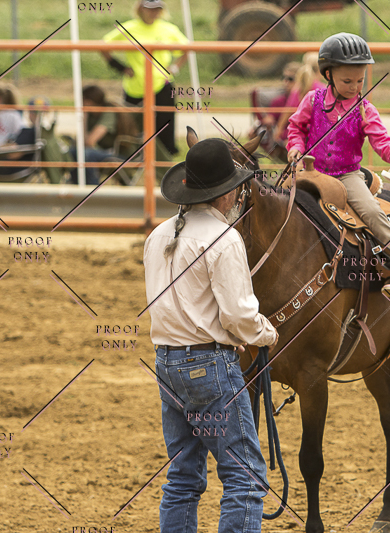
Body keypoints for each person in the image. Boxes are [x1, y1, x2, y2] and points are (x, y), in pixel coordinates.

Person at [144, 137, 279, 532]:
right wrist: (266, 334)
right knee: (245, 476)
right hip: (209, 366)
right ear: (226, 194)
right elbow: (238, 316)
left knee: (183, 476)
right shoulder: (224, 238)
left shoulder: (158, 235)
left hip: (167, 362)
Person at [286, 32, 390, 300]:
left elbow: (381, 140)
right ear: (329, 74)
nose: (355, 87)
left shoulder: (365, 110)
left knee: (371, 211)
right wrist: (295, 147)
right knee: (278, 201)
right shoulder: (311, 100)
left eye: (360, 80)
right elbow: (296, 127)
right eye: (347, 81)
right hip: (310, 171)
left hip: (347, 175)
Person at [102, 0, 188, 156]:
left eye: (157, 9)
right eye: (150, 9)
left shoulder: (169, 29)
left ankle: (165, 159)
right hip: (136, 86)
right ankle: (133, 157)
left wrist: (175, 68)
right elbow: (103, 46)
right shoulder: (129, 28)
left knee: (165, 126)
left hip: (162, 84)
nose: (154, 13)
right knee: (132, 126)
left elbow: (187, 48)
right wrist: (120, 67)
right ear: (140, 9)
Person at [274, 52, 323, 142]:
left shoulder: (297, 88)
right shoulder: (322, 89)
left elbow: (288, 110)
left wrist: (279, 130)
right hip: (315, 133)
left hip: (298, 131)